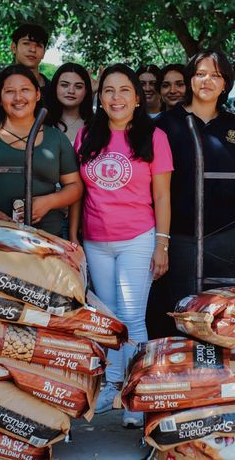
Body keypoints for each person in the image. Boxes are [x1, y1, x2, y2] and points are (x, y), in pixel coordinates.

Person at [74, 64, 172, 428]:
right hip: (96, 240)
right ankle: (111, 385)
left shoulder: (153, 136)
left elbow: (162, 196)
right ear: (100, 98)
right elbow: (80, 191)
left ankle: (136, 396)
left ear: (136, 97)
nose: (116, 98)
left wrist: (161, 244)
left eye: (124, 90)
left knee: (131, 319)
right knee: (109, 320)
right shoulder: (86, 135)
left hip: (138, 238)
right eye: (109, 91)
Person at [156, 50, 235, 334]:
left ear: (226, 84)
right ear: (189, 80)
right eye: (200, 74)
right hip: (180, 237)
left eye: (216, 75)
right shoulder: (165, 124)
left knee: (221, 317)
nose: (207, 80)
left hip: (226, 236)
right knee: (179, 313)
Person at [0, 65, 82, 236]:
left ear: (37, 94)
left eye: (25, 90)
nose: (18, 97)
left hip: (47, 238)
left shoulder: (56, 138)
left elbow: (75, 185)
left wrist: (50, 201)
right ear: (0, 98)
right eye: (10, 91)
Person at [46, 62, 95, 144]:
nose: (71, 91)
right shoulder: (42, 122)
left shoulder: (96, 125)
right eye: (64, 85)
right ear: (55, 87)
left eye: (78, 86)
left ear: (86, 91)